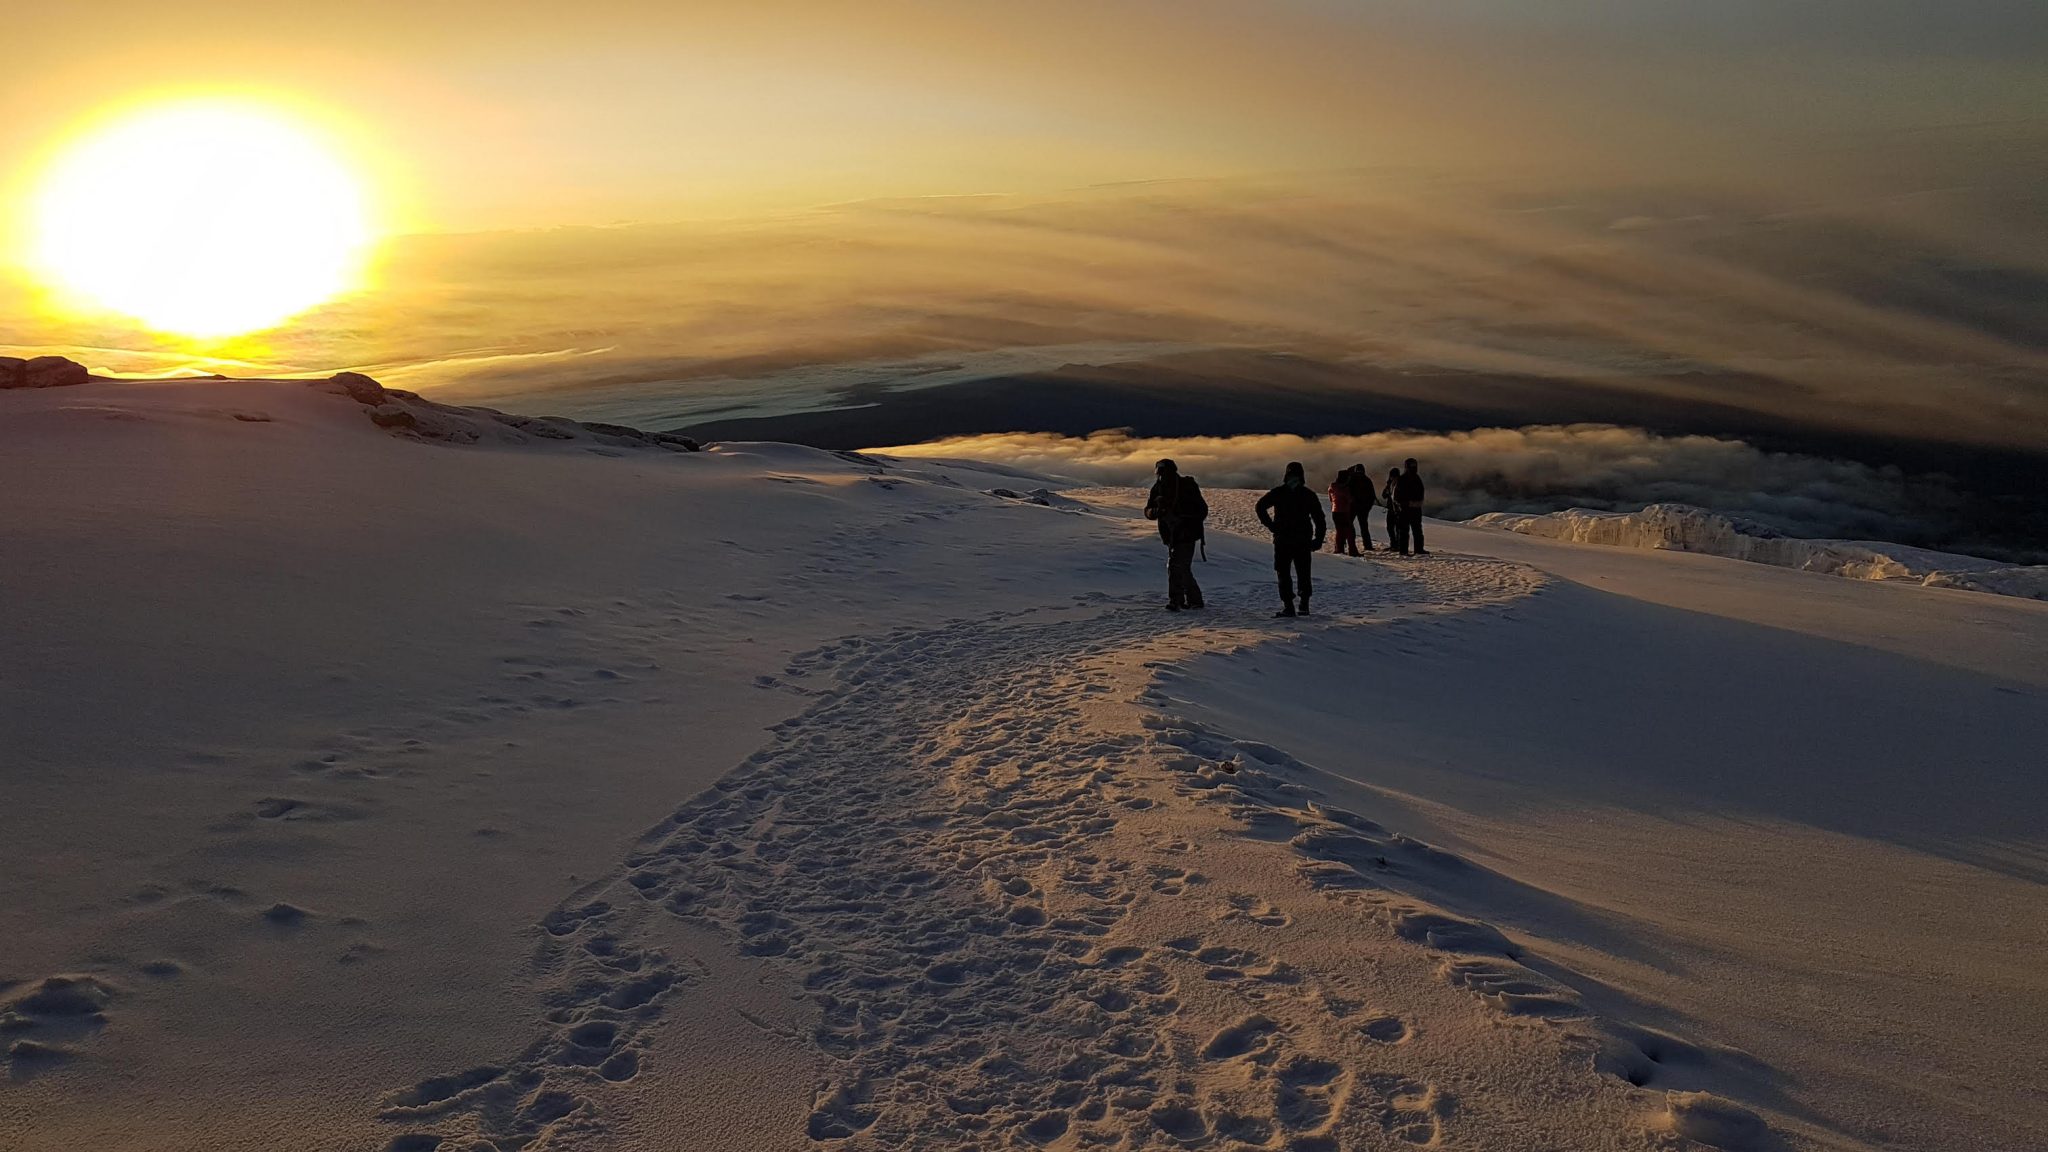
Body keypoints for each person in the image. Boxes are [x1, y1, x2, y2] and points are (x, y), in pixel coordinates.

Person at [1255, 461, 1326, 617]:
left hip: (1283, 538)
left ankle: (1289, 606)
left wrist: (1271, 525)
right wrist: (1318, 539)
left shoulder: (1279, 492)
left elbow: (1260, 506)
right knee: (1303, 571)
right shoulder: (1308, 494)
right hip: (1303, 539)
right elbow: (1319, 519)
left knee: (1283, 572)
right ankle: (1304, 604)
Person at [1143, 458, 1207, 611]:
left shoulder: (1186, 486)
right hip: (1172, 534)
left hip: (1185, 533)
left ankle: (1177, 601)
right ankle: (1193, 599)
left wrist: (1181, 517)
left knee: (1176, 566)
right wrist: (1157, 511)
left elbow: (1201, 510)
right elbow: (1148, 510)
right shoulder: (1158, 489)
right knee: (1181, 567)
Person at [1395, 457, 1429, 556]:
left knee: (1409, 530)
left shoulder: (1404, 478)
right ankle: (1412, 550)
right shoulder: (1414, 478)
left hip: (1408, 508)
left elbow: (1397, 496)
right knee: (1413, 530)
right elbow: (1398, 496)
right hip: (1410, 508)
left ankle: (1407, 550)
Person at [1327, 467, 1359, 557]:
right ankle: (1352, 551)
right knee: (1350, 532)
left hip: (1335, 511)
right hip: (1344, 512)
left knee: (1339, 531)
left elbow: (1330, 498)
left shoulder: (1332, 486)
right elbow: (1350, 500)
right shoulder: (1345, 489)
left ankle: (1339, 549)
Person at [1346, 463, 1378, 551]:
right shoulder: (1367, 480)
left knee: (1348, 525)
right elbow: (1372, 496)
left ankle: (1344, 544)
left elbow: (1347, 492)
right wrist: (1368, 507)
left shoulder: (1351, 479)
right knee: (1364, 527)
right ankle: (1367, 545)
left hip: (1353, 506)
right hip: (1363, 508)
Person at [1382, 467, 1408, 555]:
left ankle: (1395, 544)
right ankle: (1395, 544)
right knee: (1393, 528)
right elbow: (1384, 495)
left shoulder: (1394, 484)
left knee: (1394, 528)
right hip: (1394, 509)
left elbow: (1384, 495)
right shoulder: (1393, 484)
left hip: (1395, 509)